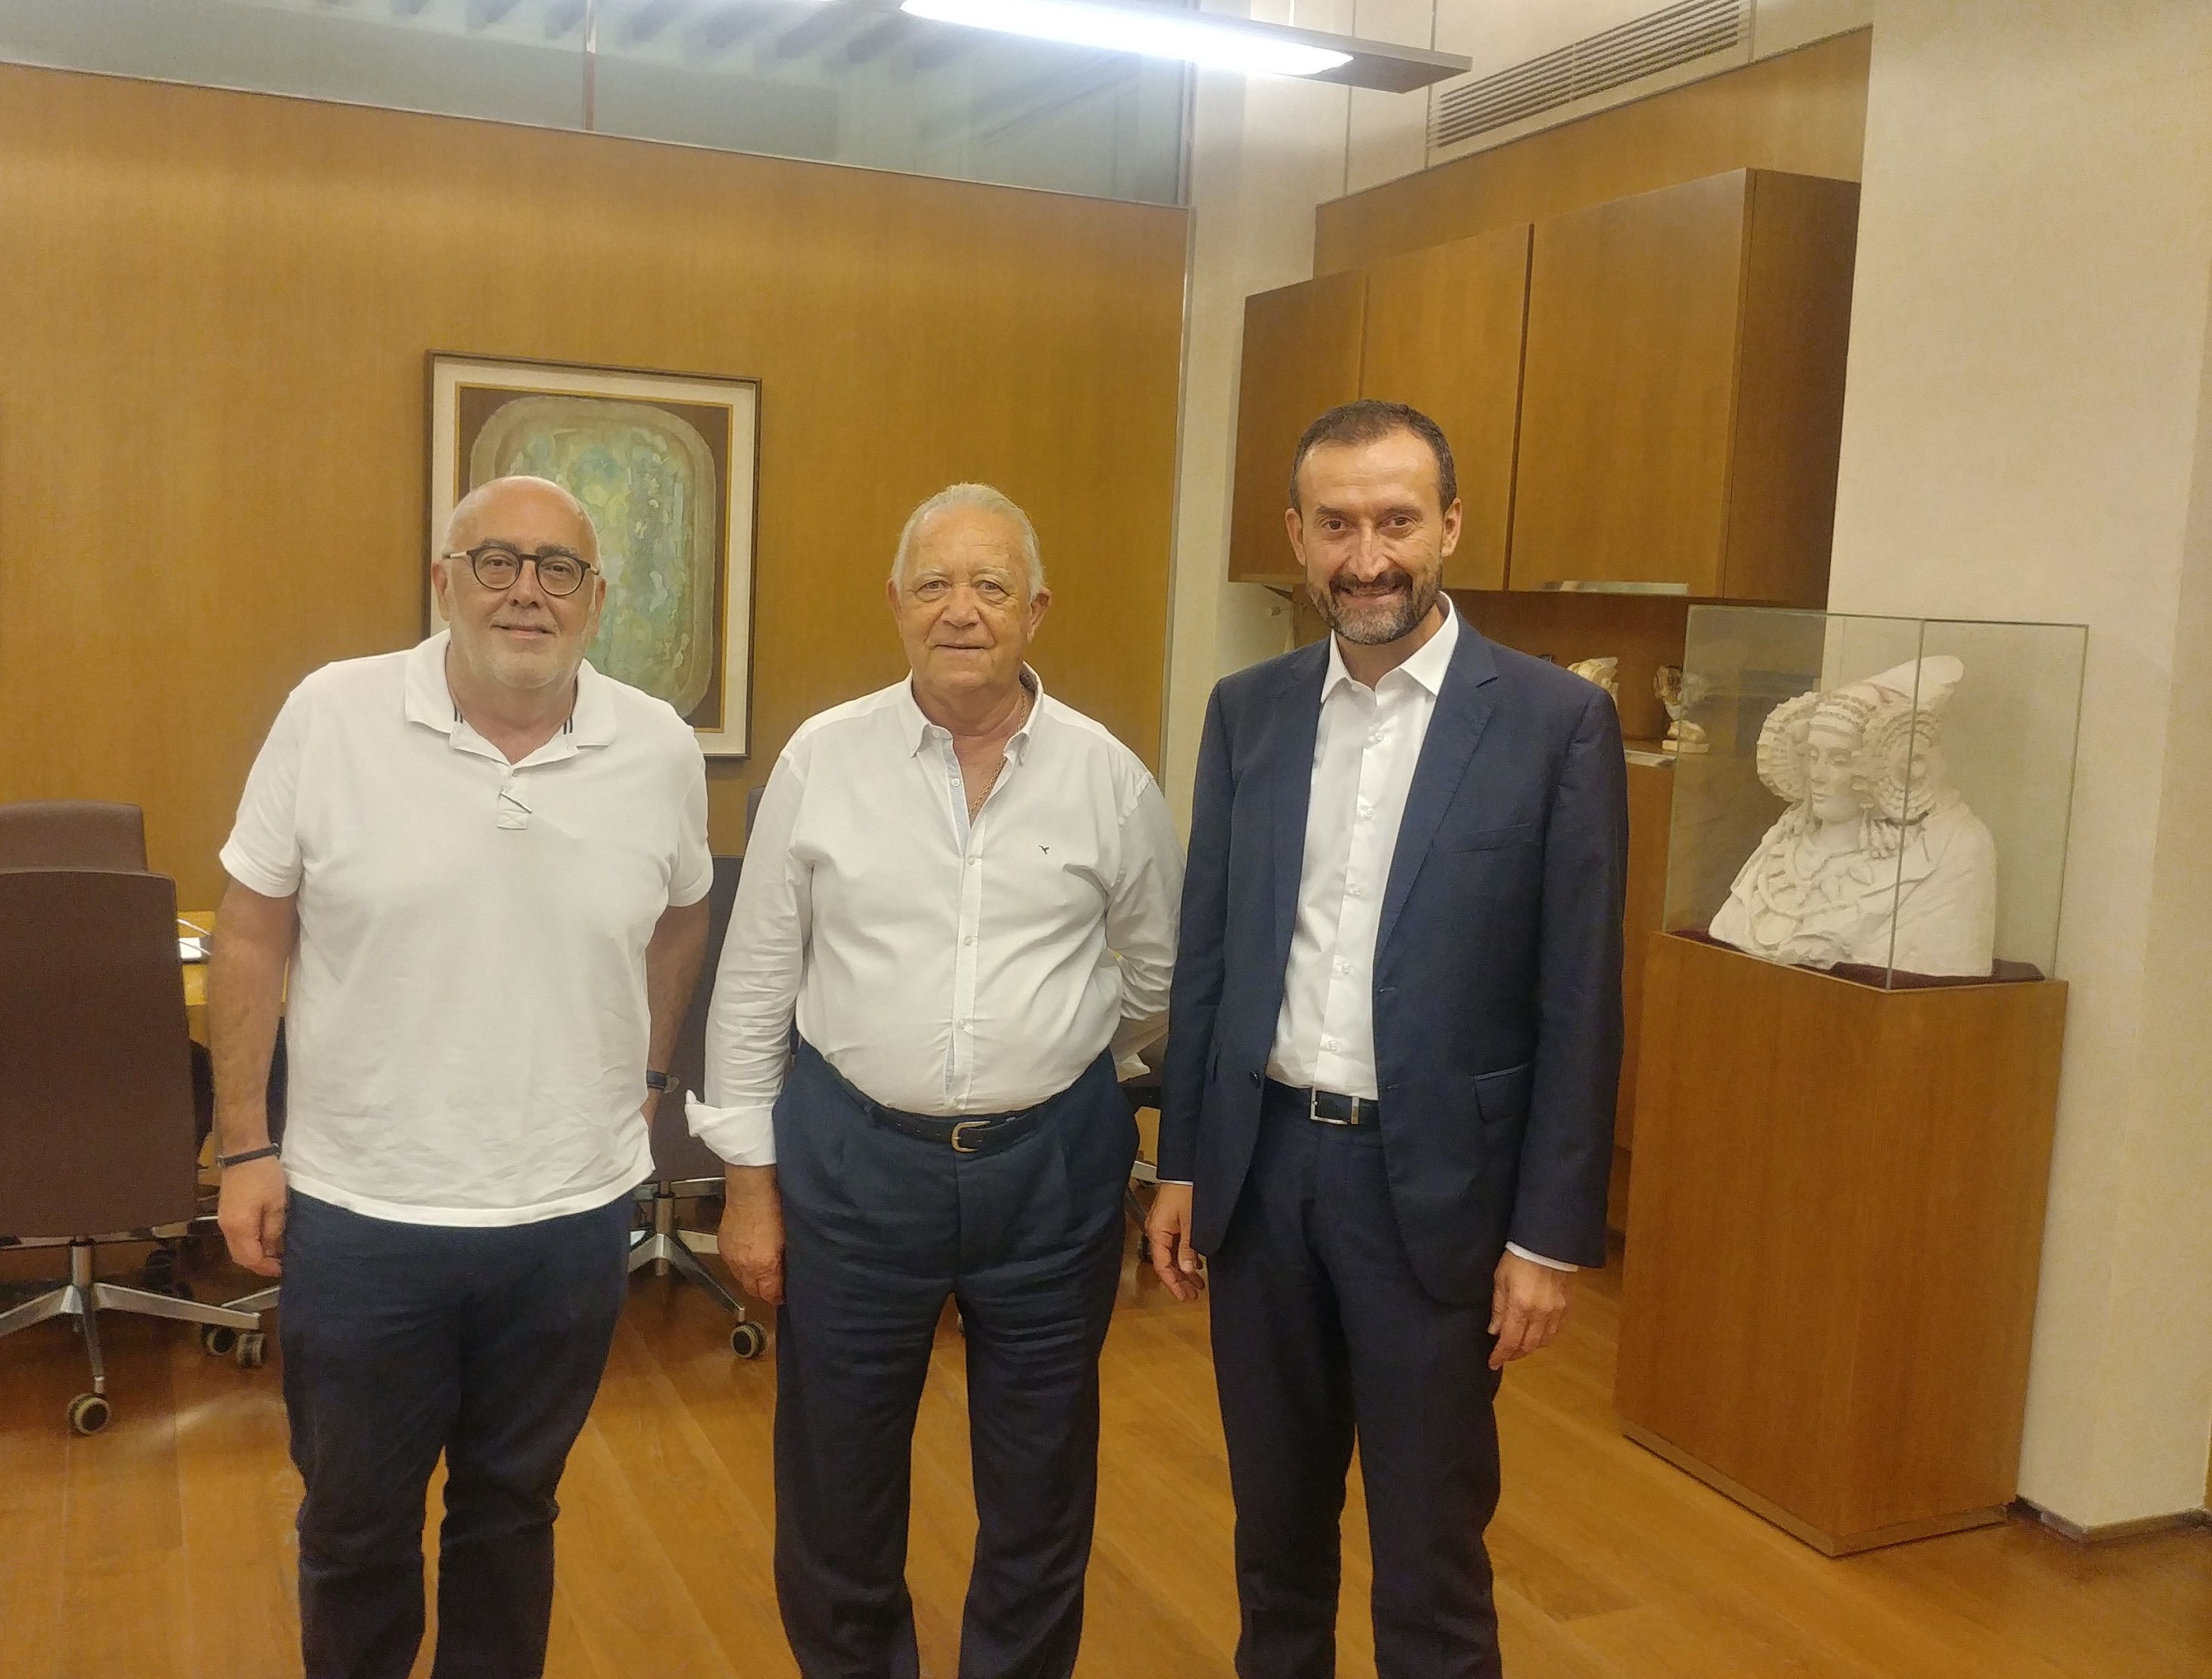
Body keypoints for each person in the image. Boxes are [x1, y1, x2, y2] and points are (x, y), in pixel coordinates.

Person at [1147, 402, 1627, 1677]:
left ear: (1450, 527)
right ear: (1297, 537)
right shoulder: (1247, 712)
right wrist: (1183, 1160)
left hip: (1439, 1197)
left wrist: (1549, 1237)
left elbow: (1581, 997)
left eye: (1397, 521)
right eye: (1339, 524)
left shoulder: (1553, 724)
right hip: (1264, 1180)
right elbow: (1210, 955)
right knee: (1274, 1540)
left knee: (1430, 1561)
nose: (1369, 557)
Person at [210, 475, 714, 1679]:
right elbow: (251, 928)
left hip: (567, 1215)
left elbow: (683, 916)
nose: (526, 591)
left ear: (598, 599)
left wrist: (648, 1077)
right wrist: (243, 1143)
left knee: (512, 1510)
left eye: (558, 569)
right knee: (354, 1522)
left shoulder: (655, 745)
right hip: (365, 1211)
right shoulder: (333, 713)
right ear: (445, 581)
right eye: (497, 561)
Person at [697, 483, 1182, 1679]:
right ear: (898, 604)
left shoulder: (1109, 778)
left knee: (1041, 1484)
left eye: (990, 585)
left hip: (1053, 1172)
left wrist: (1058, 1051)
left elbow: (1160, 978)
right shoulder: (822, 760)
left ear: (1036, 609)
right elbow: (753, 987)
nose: (961, 610)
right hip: (854, 1166)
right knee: (838, 1485)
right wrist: (749, 1187)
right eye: (935, 584)